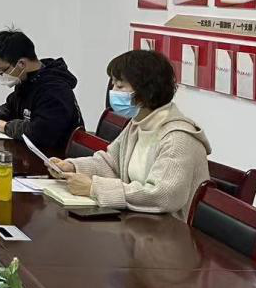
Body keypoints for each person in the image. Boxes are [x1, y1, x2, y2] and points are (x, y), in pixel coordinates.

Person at [47, 50, 210, 216]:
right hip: (139, 219)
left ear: (146, 91)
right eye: (113, 84)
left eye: (119, 86)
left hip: (166, 227)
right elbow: (111, 163)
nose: (113, 91)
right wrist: (73, 167)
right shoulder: (137, 124)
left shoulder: (178, 138)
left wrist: (94, 188)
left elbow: (162, 195)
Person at [0, 29, 83, 155]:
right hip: (32, 153)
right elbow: (11, 107)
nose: (2, 76)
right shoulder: (28, 80)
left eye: (3, 70)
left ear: (21, 64)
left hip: (59, 158)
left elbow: (42, 133)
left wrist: (5, 127)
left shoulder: (55, 90)